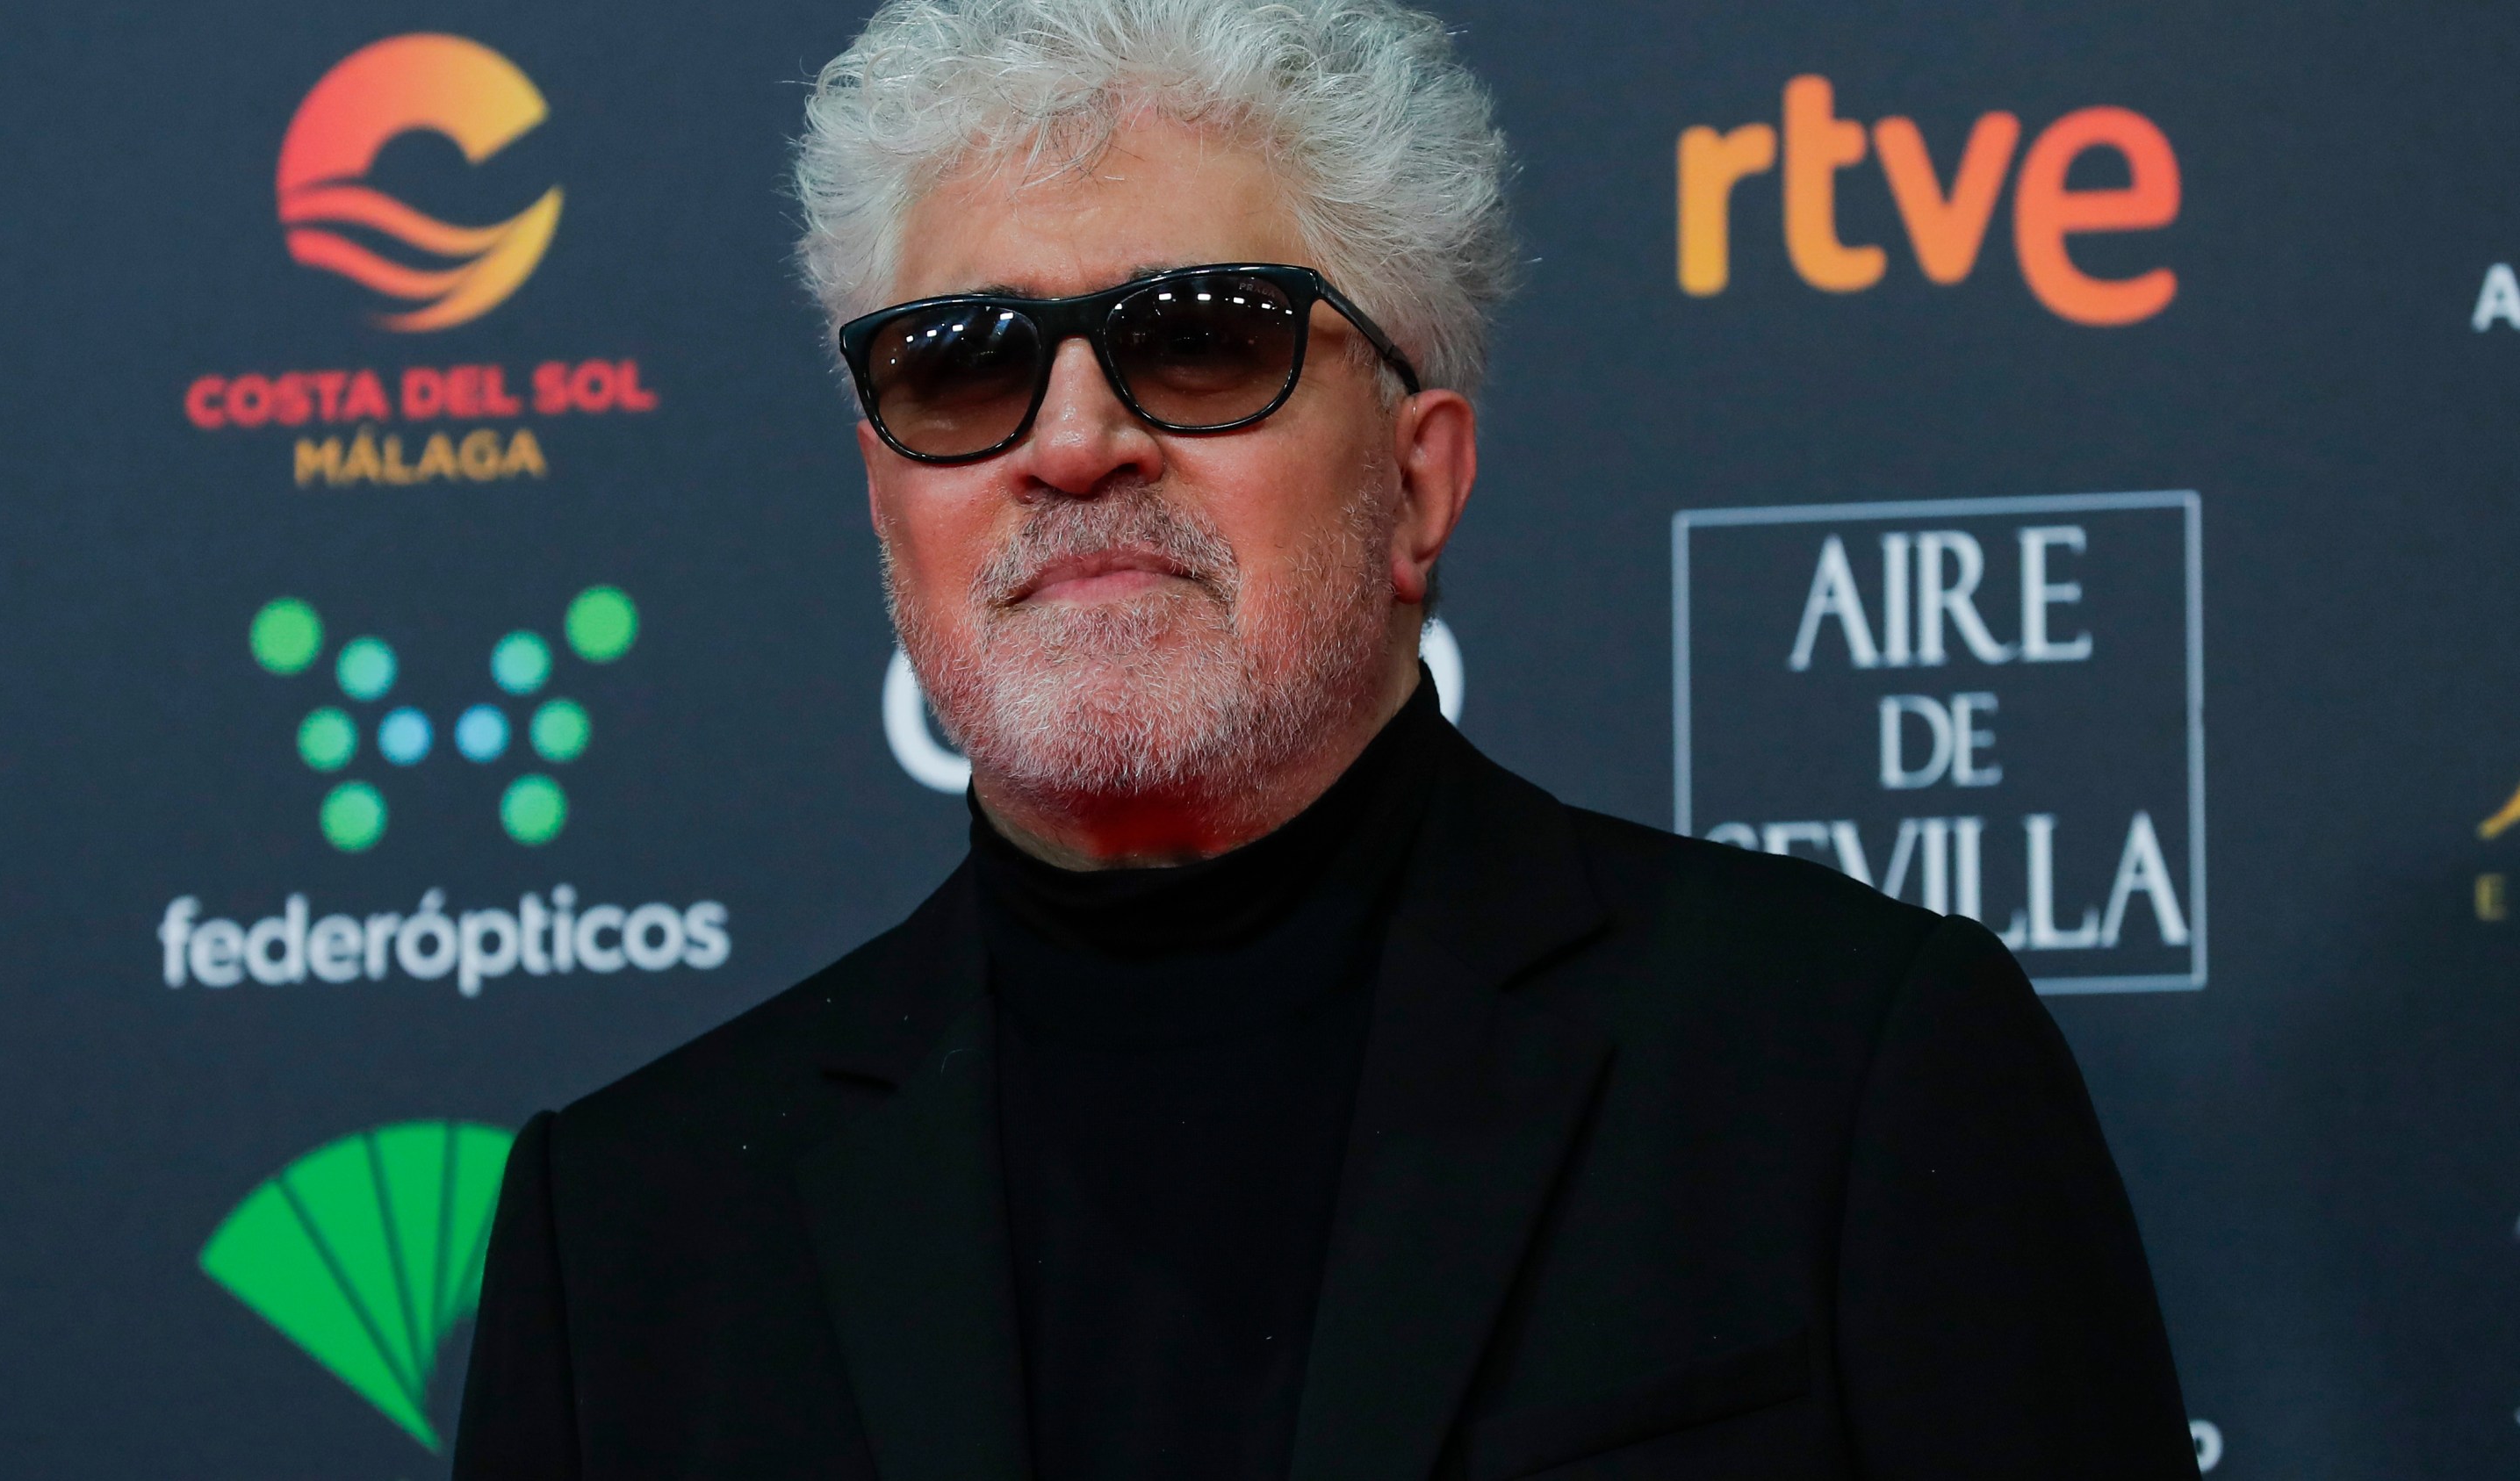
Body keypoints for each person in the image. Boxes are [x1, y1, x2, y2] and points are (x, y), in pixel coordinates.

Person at [454, 0, 2199, 1476]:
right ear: (886, 494)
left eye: (1199, 342)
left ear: (1418, 478)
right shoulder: (625, 1242)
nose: (1070, 445)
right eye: (961, 369)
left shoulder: (1839, 1078)